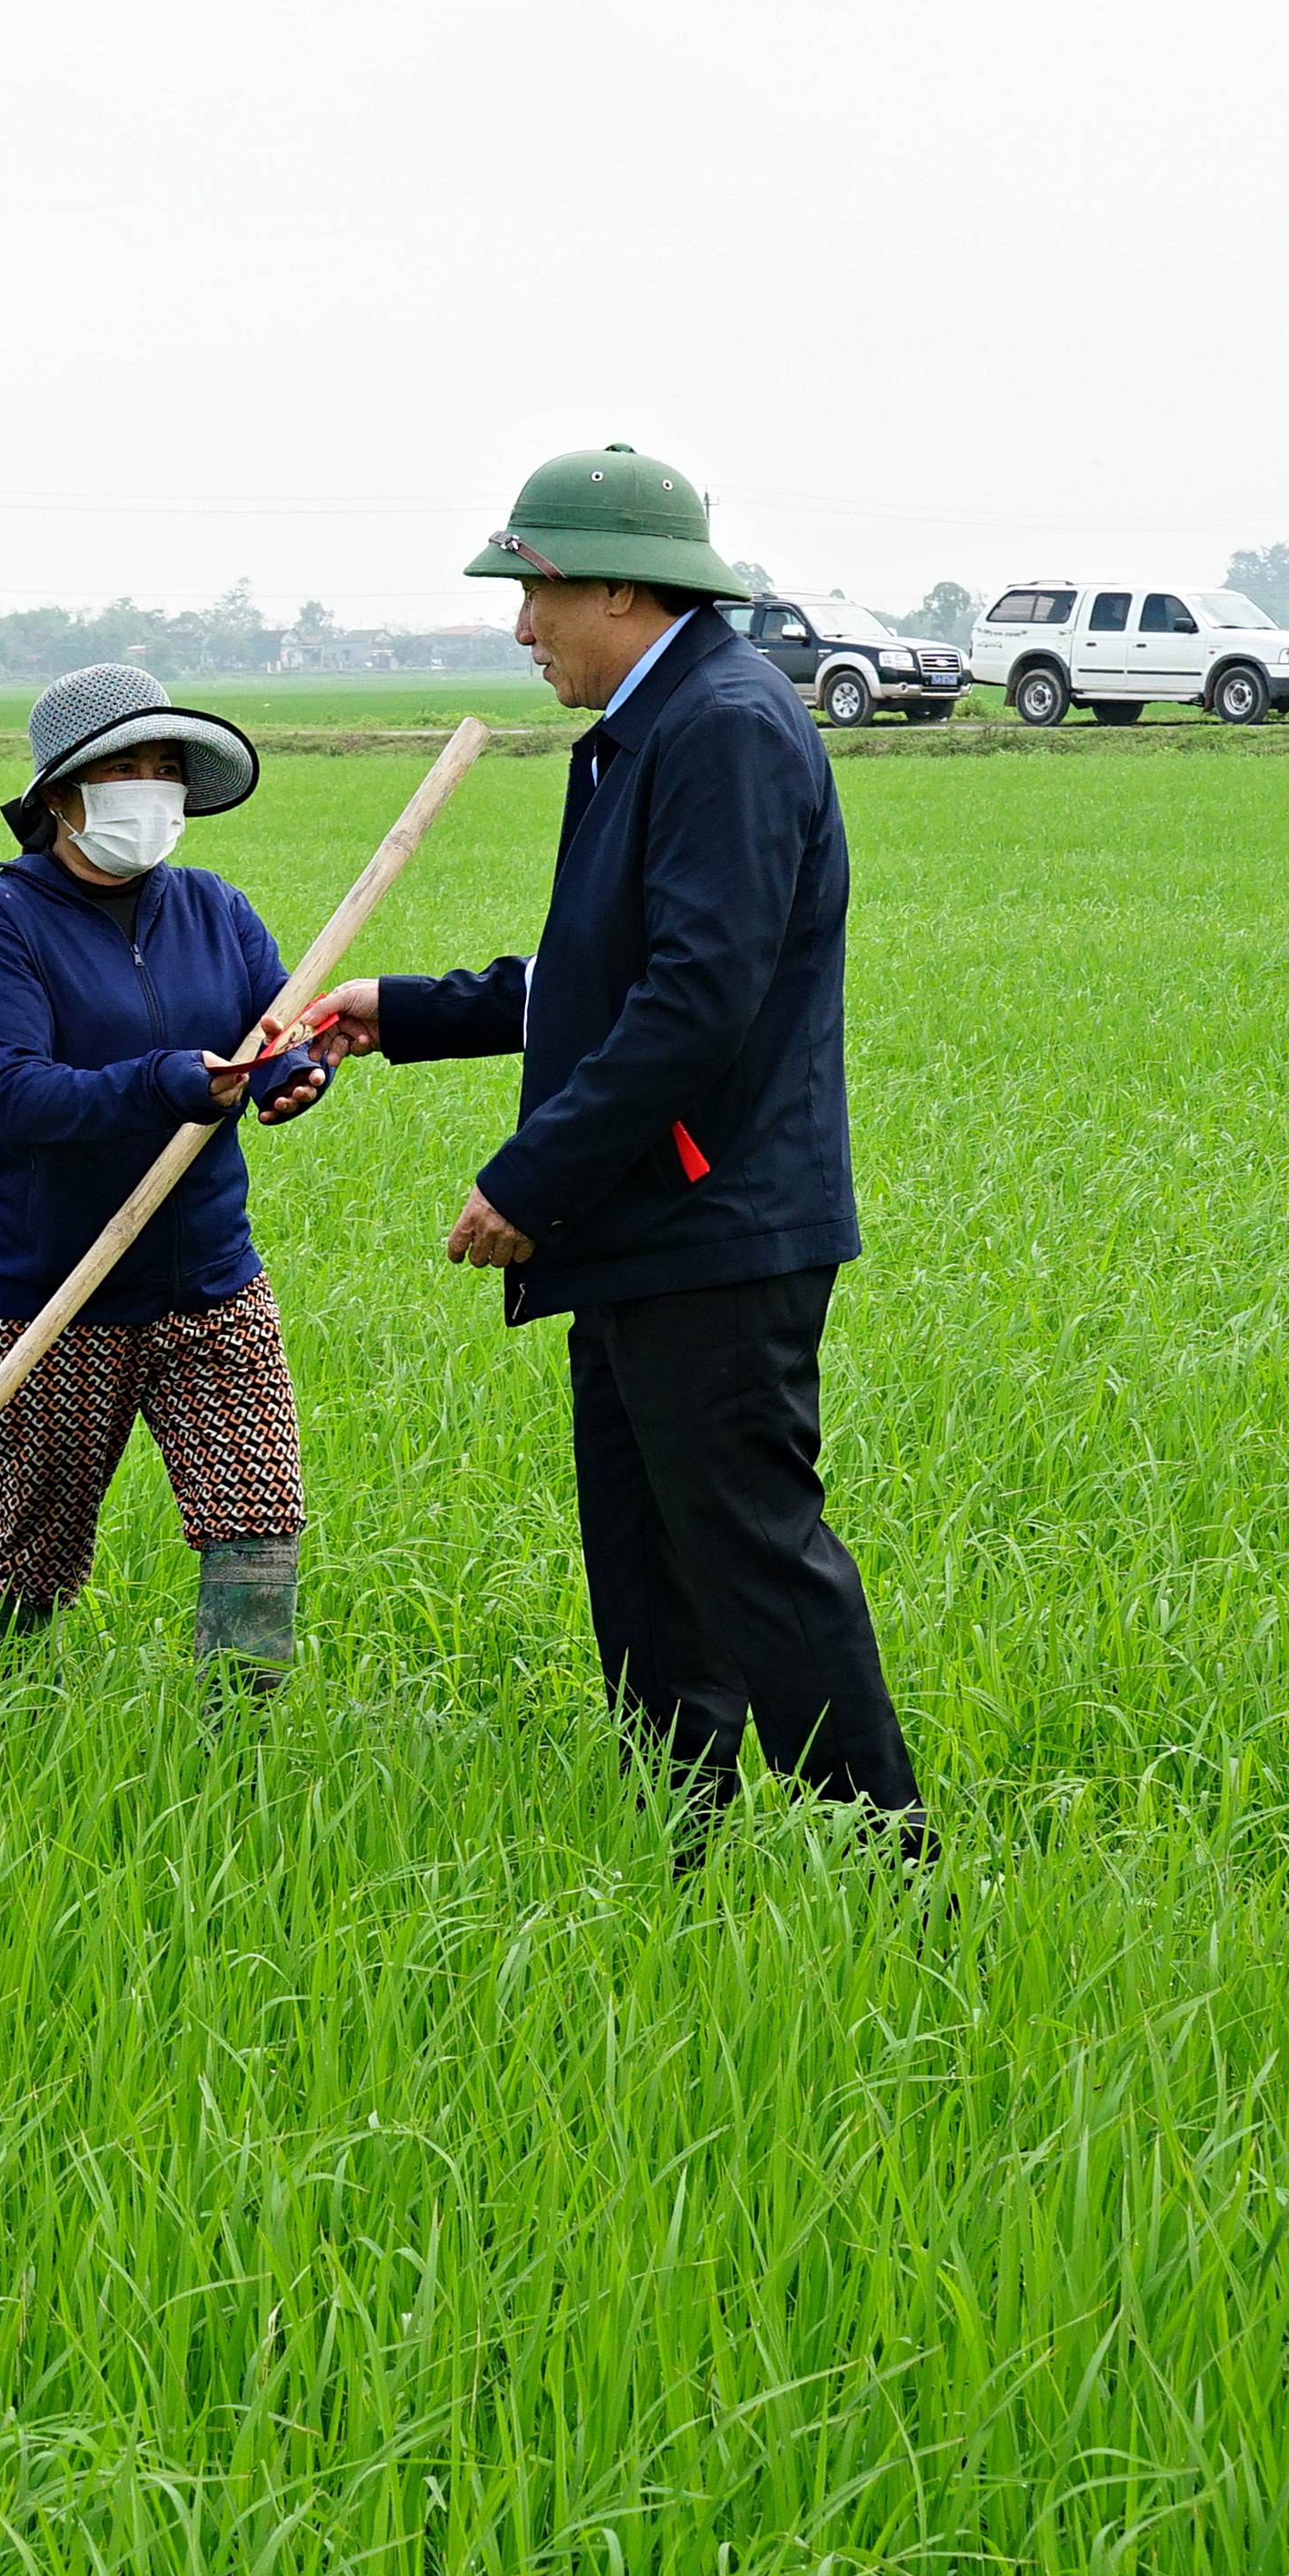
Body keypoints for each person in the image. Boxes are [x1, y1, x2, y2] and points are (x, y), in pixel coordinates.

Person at [295, 445, 927, 1858]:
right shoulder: (658, 726)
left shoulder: (726, 730)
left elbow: (695, 1000)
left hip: (712, 1225)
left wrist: (531, 1181)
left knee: (756, 1565)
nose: (524, 630)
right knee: (649, 1582)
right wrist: (398, 1014)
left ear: (626, 590)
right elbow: (602, 978)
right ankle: (676, 1855)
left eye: (541, 596)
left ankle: (899, 1884)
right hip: (648, 1231)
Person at [0, 664, 334, 1694]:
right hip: (59, 1295)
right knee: (36, 1548)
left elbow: (271, 1022)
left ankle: (240, 1748)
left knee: (257, 1518)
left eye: (167, 768)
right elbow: (16, 1095)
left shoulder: (213, 907)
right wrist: (167, 1083)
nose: (151, 788)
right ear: (62, 793)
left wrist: (290, 1073)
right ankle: (0, 1715)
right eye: (125, 767)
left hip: (210, 1279)